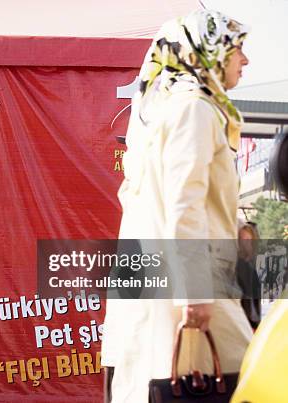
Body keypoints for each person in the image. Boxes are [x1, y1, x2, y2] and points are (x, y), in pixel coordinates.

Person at [101, 10, 253, 402]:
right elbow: (184, 203)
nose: (245, 60)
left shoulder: (166, 109)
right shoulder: (194, 108)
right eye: (238, 49)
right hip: (187, 288)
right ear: (209, 51)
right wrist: (196, 294)